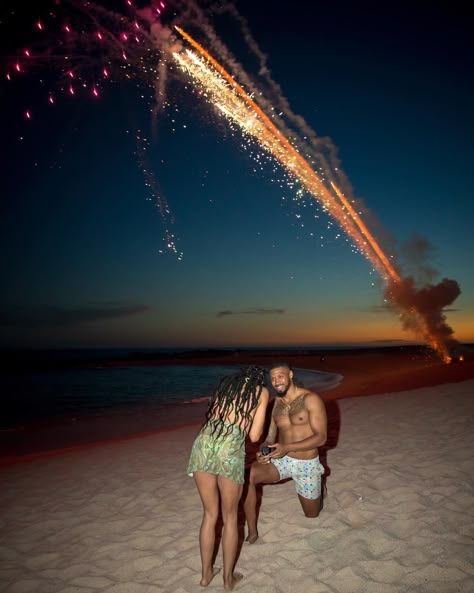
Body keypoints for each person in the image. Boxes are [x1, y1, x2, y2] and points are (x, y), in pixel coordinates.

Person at [187, 365, 269, 590]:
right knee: (230, 516)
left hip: (203, 443)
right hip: (229, 449)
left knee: (210, 514)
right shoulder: (261, 391)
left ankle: (205, 576)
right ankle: (227, 580)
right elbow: (253, 435)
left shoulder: (226, 388)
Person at [243, 361, 327, 544]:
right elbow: (270, 437)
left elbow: (321, 438)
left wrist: (287, 447)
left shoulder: (311, 399)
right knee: (247, 476)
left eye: (280, 376)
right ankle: (252, 531)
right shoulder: (276, 404)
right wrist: (264, 451)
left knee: (312, 515)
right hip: (282, 460)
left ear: (290, 375)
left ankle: (320, 487)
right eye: (272, 378)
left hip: (306, 463)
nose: (276, 381)